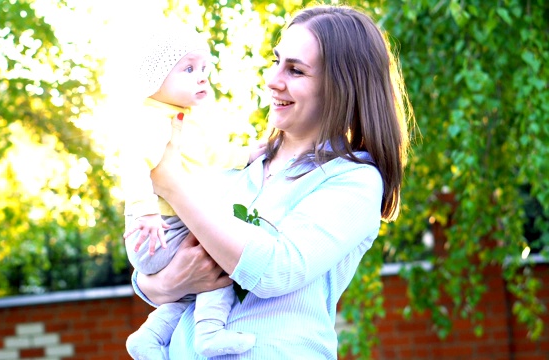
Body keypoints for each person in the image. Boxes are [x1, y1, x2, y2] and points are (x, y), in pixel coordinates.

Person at [127, 4, 413, 359]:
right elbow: (158, 266)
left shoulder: (353, 181)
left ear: (340, 87)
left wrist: (171, 185)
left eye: (295, 70)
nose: (272, 79)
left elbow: (276, 270)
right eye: (276, 61)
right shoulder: (236, 162)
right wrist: (165, 283)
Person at [121, 21, 265, 360]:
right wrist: (146, 212)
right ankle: (210, 331)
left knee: (190, 291)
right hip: (160, 230)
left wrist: (248, 154)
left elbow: (214, 154)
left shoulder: (183, 119)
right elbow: (134, 164)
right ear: (156, 78)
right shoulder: (154, 120)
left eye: (204, 68)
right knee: (224, 256)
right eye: (188, 68)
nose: (201, 76)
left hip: (163, 231)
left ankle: (149, 337)